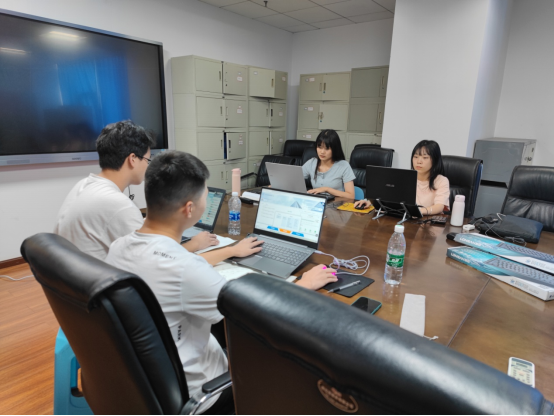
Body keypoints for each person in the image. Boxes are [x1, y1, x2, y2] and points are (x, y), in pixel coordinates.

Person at [105, 151, 338, 414]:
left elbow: (177, 267)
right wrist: (303, 285)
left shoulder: (119, 247)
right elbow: (256, 310)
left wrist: (230, 251)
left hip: (144, 380)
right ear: (189, 209)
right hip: (202, 391)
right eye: (205, 195)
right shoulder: (186, 269)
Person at [54, 120, 217, 261]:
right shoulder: (117, 204)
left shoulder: (84, 184)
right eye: (147, 159)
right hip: (98, 283)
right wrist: (195, 244)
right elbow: (159, 260)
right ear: (132, 159)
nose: (148, 165)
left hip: (71, 278)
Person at [355, 140, 450, 215]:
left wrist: (418, 211)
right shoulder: (405, 176)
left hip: (428, 224)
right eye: (416, 157)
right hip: (405, 220)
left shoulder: (441, 181)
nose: (419, 161)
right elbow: (388, 198)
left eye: (425, 158)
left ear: (435, 160)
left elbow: (439, 206)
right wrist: (370, 202)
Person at [302, 130, 356, 200]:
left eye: (327, 148)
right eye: (319, 147)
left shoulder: (344, 165)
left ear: (335, 149)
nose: (322, 152)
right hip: (317, 203)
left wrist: (327, 189)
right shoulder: (312, 163)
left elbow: (351, 196)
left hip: (337, 205)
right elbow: (294, 178)